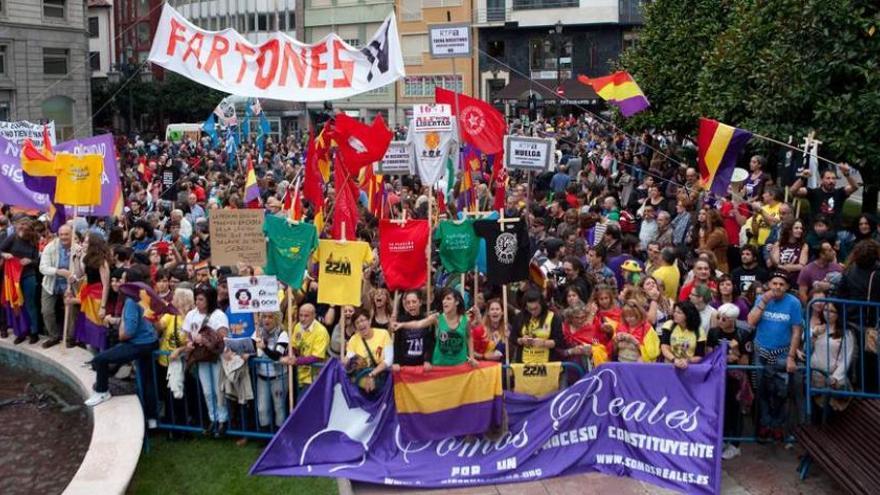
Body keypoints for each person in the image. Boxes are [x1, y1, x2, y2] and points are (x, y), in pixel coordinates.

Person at [84, 265, 160, 429]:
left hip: (138, 343)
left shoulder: (131, 301)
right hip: (150, 341)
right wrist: (119, 321)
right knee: (148, 380)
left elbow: (129, 331)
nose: (119, 282)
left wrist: (121, 333)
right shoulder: (145, 295)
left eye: (123, 279)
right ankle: (152, 419)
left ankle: (102, 391)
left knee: (100, 360)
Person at [747, 271, 804, 441]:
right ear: (769, 285)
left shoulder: (793, 303)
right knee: (762, 390)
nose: (777, 287)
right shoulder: (762, 299)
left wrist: (791, 357)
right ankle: (765, 424)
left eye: (781, 284)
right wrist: (763, 301)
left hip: (782, 353)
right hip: (761, 351)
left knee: (780, 391)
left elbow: (796, 331)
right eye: (775, 283)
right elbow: (751, 321)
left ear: (787, 287)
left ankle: (777, 424)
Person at [707, 303, 753, 460]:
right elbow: (709, 356)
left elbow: (745, 363)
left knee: (735, 410)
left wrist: (736, 351)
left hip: (735, 379)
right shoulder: (713, 333)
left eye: (724, 318)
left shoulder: (743, 335)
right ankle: (722, 439)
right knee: (720, 409)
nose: (720, 320)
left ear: (732, 320)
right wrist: (725, 358)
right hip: (718, 377)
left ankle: (735, 444)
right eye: (718, 317)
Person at [182, 285, 230, 437]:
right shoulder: (191, 314)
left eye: (201, 299)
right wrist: (189, 343)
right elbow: (186, 334)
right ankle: (212, 419)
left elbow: (223, 335)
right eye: (196, 298)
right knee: (207, 391)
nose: (197, 302)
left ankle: (223, 420)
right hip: (201, 358)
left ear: (209, 300)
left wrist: (205, 339)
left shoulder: (218, 315)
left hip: (216, 358)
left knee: (218, 390)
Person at [393, 288, 477, 368]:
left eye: (448, 299)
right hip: (439, 366)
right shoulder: (436, 318)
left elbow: (469, 337)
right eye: (443, 299)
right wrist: (402, 325)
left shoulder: (466, 320)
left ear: (457, 302)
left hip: (459, 366)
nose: (444, 301)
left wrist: (472, 357)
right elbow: (418, 324)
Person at [2, 217, 41, 344]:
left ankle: (34, 332)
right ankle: (20, 332)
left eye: (25, 227)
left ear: (30, 228)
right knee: (17, 304)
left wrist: (30, 261)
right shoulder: (12, 237)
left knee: (30, 304)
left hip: (28, 275)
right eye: (20, 226)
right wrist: (4, 255)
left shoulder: (35, 240)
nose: (21, 229)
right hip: (13, 277)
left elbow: (37, 261)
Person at [73, 233, 112, 351]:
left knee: (98, 329)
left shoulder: (102, 262)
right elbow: (79, 274)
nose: (83, 244)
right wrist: (77, 258)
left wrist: (103, 306)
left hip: (98, 298)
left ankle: (101, 358)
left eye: (86, 242)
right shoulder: (87, 258)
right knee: (89, 328)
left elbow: (106, 285)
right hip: (88, 297)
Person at [251, 312, 290, 429]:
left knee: (279, 407)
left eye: (270, 317)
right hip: (262, 377)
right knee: (262, 408)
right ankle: (266, 436)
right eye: (264, 317)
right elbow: (250, 347)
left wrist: (264, 348)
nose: (267, 320)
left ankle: (279, 436)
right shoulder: (258, 332)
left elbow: (277, 356)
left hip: (279, 377)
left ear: (277, 319)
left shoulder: (282, 334)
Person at [39, 224, 74, 348]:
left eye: (66, 234)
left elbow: (82, 270)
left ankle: (69, 337)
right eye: (61, 234)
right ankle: (54, 336)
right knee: (46, 311)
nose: (63, 237)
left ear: (72, 234)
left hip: (69, 285)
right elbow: (42, 267)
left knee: (70, 312)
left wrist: (73, 276)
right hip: (51, 284)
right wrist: (58, 271)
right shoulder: (50, 247)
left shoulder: (77, 248)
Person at [279, 303, 330, 390]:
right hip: (300, 376)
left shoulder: (321, 331)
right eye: (300, 315)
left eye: (306, 316)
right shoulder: (298, 326)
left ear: (314, 316)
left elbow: (317, 357)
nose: (302, 319)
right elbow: (294, 345)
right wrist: (291, 354)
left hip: (315, 377)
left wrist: (295, 361)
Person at [343, 308, 393, 394]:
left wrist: (372, 374)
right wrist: (343, 363)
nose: (361, 324)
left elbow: (389, 359)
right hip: (362, 379)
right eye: (357, 322)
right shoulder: (353, 339)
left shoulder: (383, 334)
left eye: (363, 320)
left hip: (381, 377)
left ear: (369, 321)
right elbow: (349, 358)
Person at [791, 164, 859, 225]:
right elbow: (793, 191)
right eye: (828, 178)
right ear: (822, 180)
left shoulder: (840, 192)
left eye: (833, 178)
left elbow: (855, 187)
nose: (831, 181)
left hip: (835, 232)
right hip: (816, 232)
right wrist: (802, 178)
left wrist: (847, 174)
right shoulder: (813, 192)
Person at [511, 290, 564, 364]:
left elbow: (560, 341)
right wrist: (521, 340)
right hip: (524, 362)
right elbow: (513, 337)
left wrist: (544, 343)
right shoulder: (520, 317)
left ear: (542, 305)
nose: (533, 312)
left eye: (536, 308)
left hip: (547, 362)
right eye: (530, 309)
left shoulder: (553, 317)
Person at [659, 301, 706, 369]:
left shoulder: (699, 331)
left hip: (689, 366)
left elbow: (700, 355)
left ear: (688, 315)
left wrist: (687, 360)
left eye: (679, 313)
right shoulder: (669, 325)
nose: (675, 314)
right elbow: (664, 347)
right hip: (670, 364)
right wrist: (674, 360)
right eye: (675, 311)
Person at [797, 240, 843, 305]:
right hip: (815, 306)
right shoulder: (807, 270)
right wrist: (809, 309)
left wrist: (830, 286)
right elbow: (802, 293)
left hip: (833, 307)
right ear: (821, 254)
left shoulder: (837, 268)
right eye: (830, 250)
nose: (834, 252)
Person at [769, 219, 809, 286]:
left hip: (794, 280)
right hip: (779, 278)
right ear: (789, 230)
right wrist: (771, 253)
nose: (800, 230)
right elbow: (776, 263)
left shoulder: (804, 246)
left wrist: (783, 267)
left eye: (801, 228)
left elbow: (801, 266)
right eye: (796, 228)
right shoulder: (778, 244)